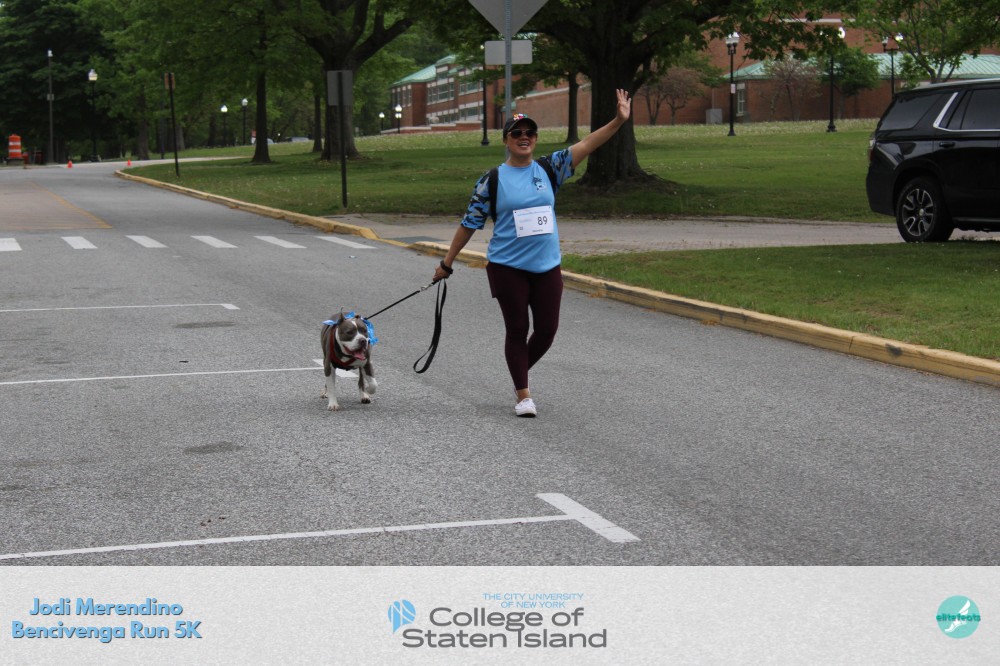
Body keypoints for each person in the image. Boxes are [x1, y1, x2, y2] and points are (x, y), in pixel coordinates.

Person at [432, 89, 633, 417]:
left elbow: (589, 143)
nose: (523, 137)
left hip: (547, 266)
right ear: (506, 140)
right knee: (517, 329)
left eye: (529, 133)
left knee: (547, 330)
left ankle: (518, 370)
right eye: (516, 134)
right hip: (507, 267)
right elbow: (469, 224)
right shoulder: (491, 180)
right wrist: (447, 262)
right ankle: (523, 394)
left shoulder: (551, 168)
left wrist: (618, 120)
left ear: (536, 139)